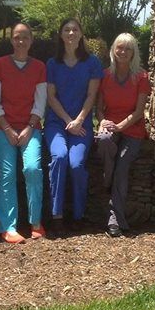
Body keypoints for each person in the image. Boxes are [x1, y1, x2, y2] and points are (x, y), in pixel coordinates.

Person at [0, 22, 47, 244]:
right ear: (12, 40)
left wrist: (30, 127)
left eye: (25, 37)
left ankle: (36, 222)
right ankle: (8, 227)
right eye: (16, 37)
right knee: (7, 173)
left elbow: (40, 102)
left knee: (32, 168)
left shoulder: (39, 67)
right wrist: (8, 129)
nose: (21, 41)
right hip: (4, 128)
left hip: (30, 128)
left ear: (31, 40)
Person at [44, 17, 102, 231]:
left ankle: (79, 215)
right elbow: (51, 97)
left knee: (76, 164)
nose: (71, 33)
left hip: (82, 125)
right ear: (61, 35)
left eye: (75, 30)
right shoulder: (52, 64)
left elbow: (91, 95)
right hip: (56, 124)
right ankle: (56, 215)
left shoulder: (92, 63)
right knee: (59, 156)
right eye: (67, 30)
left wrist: (78, 120)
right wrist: (69, 121)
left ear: (81, 34)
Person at [96, 33, 151, 237]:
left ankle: (114, 219)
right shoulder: (105, 75)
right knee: (103, 141)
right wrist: (102, 121)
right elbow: (99, 108)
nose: (123, 52)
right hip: (110, 125)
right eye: (119, 47)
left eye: (128, 48)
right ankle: (107, 179)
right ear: (113, 50)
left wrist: (121, 126)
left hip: (132, 129)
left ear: (133, 52)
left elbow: (138, 112)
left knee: (122, 164)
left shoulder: (141, 77)